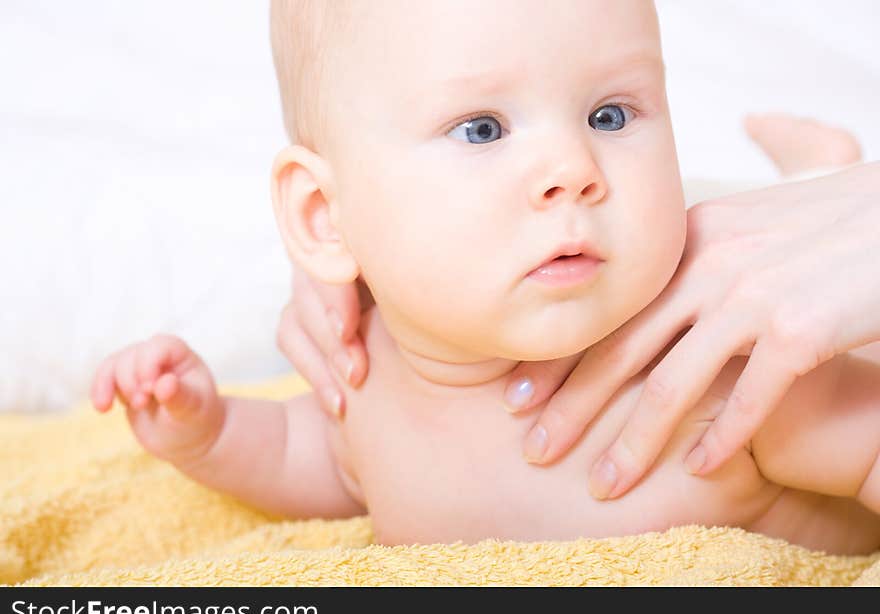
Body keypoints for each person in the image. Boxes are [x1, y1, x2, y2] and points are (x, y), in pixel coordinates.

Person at [92, 0, 880, 554]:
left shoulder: (721, 362)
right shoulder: (366, 381)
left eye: (610, 114)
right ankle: (817, 173)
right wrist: (210, 432)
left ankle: (818, 183)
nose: (572, 170)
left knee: (764, 229)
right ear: (325, 218)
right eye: (482, 129)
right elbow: (321, 459)